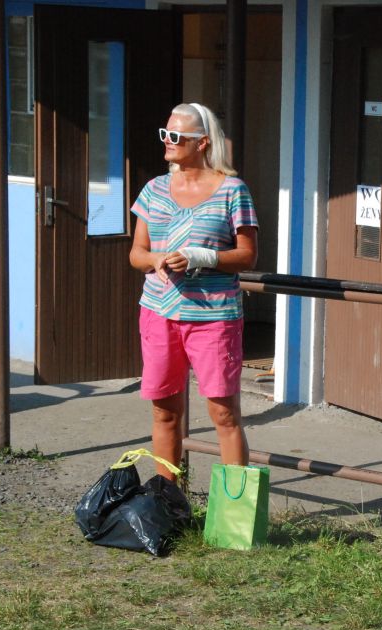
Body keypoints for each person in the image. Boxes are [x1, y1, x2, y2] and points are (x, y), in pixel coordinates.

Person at [129, 102, 258, 480]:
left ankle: (235, 508)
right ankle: (166, 499)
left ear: (202, 142)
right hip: (159, 313)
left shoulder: (233, 191)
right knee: (164, 412)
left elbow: (248, 256)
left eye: (175, 136)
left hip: (213, 317)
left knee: (224, 414)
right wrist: (155, 259)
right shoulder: (153, 189)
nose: (167, 141)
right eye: (164, 134)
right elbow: (136, 253)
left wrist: (201, 257)